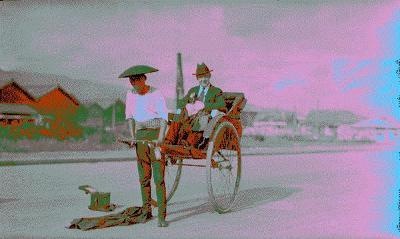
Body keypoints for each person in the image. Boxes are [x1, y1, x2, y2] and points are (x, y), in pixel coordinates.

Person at [119, 64, 169, 227]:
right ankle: (147, 211)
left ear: (144, 79)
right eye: (131, 81)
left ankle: (162, 216)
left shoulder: (156, 93)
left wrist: (161, 137)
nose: (134, 83)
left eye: (136, 79)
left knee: (159, 178)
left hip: (155, 136)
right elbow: (130, 118)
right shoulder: (130, 95)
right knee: (144, 178)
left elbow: (163, 118)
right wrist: (133, 137)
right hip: (141, 136)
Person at [165, 62, 226, 148]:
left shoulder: (216, 91)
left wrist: (204, 105)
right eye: (201, 77)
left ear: (209, 76)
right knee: (178, 115)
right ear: (197, 78)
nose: (203, 79)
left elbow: (221, 105)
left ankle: (188, 143)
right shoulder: (193, 90)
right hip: (190, 116)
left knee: (201, 120)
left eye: (205, 76)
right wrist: (189, 103)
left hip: (205, 117)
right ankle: (169, 141)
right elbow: (181, 102)